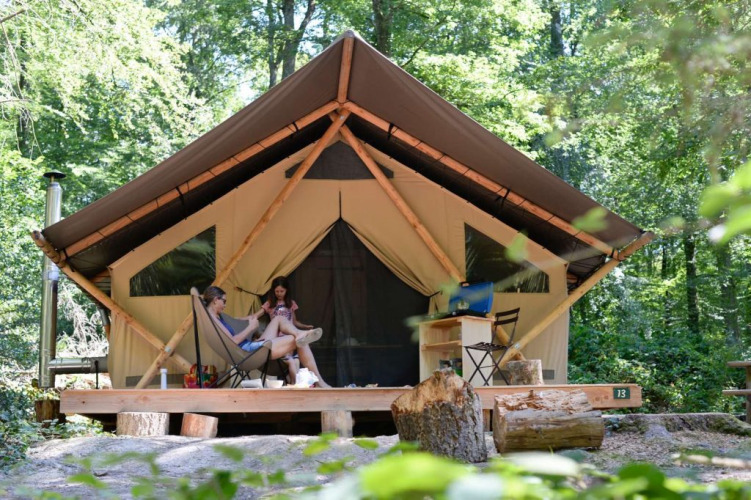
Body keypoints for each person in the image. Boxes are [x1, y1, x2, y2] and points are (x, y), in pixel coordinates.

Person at [203, 286, 330, 387]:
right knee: (297, 341)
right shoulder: (214, 320)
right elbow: (233, 341)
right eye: (224, 301)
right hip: (248, 352)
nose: (225, 305)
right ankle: (320, 382)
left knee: (279, 318)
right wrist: (251, 328)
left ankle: (299, 333)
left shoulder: (215, 317)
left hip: (250, 347)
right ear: (215, 300)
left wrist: (246, 323)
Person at [253, 276, 331, 387]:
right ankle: (297, 383)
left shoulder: (290, 303)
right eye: (277, 291)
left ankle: (301, 335)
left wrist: (304, 326)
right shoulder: (270, 303)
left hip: (291, 335)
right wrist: (241, 320)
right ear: (273, 291)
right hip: (278, 339)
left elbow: (294, 321)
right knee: (292, 361)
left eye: (282, 291)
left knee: (296, 353)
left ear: (287, 290)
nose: (279, 293)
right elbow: (255, 316)